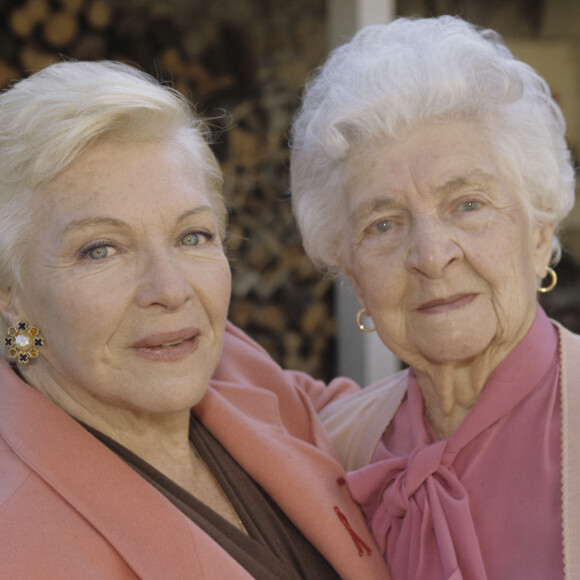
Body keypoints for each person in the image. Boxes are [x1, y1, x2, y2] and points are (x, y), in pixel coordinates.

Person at [0, 60, 392, 579]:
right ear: (12, 297)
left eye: (192, 236)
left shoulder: (233, 364)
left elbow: (385, 424)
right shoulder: (21, 543)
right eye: (101, 250)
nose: (170, 290)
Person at [289, 15, 580, 580]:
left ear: (540, 233)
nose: (430, 254)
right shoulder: (336, 448)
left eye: (467, 204)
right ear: (351, 273)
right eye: (383, 225)